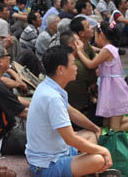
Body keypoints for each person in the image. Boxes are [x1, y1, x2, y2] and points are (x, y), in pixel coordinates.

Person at [25, 45, 116, 177]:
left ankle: (84, 170)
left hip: (58, 152)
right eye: (73, 63)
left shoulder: (48, 86)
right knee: (98, 159)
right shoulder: (52, 97)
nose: (76, 67)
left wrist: (95, 128)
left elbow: (72, 112)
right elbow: (70, 139)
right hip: (45, 166)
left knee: (90, 135)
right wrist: (103, 150)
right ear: (61, 69)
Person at [85, 23, 128, 132]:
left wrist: (79, 51)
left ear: (101, 35)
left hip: (115, 91)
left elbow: (91, 64)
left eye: (95, 36)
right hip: (113, 89)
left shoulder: (107, 50)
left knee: (114, 128)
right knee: (107, 123)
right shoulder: (109, 48)